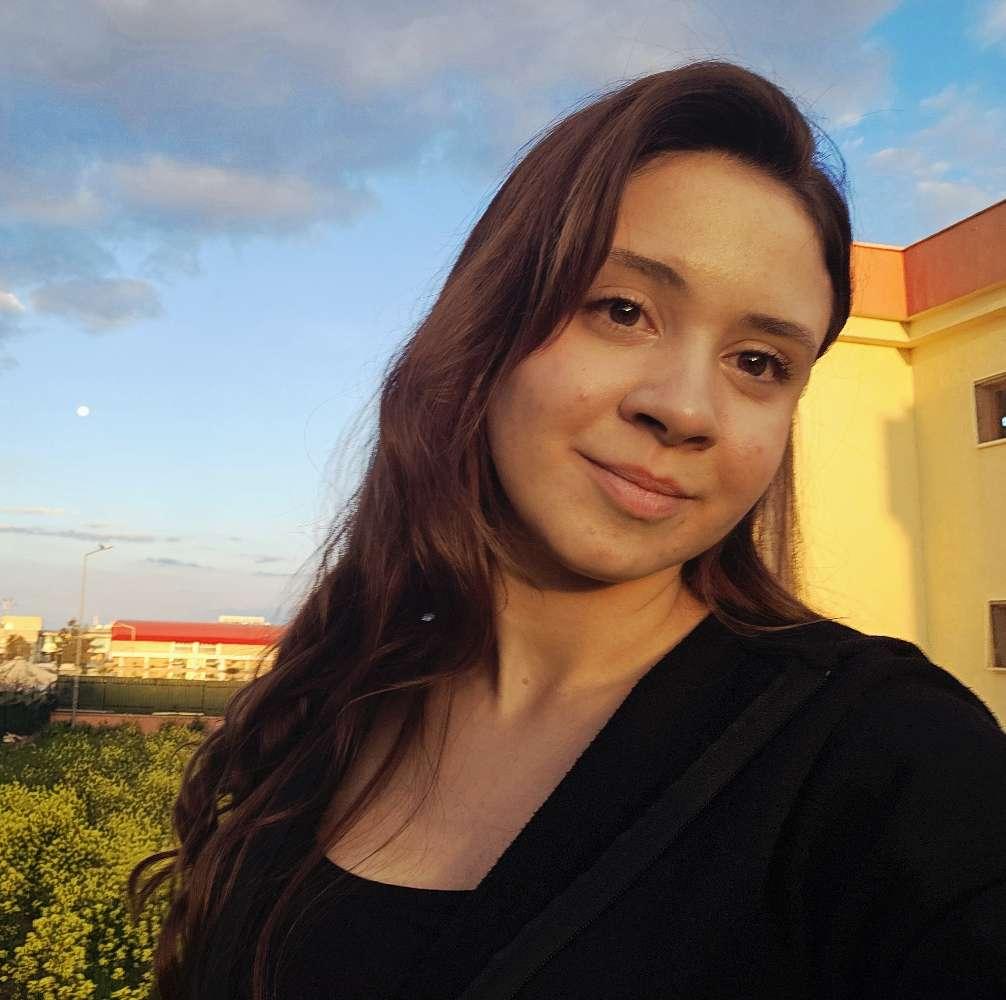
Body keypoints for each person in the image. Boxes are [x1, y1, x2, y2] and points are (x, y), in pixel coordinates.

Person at [129, 60, 1006, 999]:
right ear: (489, 325)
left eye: (759, 362)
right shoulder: (340, 701)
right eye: (623, 311)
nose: (685, 409)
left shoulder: (892, 761)